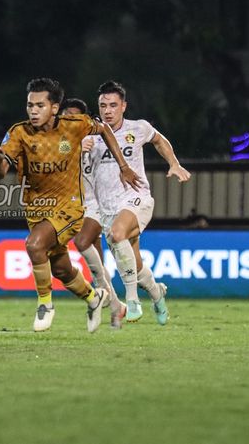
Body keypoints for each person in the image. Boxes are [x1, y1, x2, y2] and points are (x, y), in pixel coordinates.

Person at [0, 78, 140, 333]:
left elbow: (104, 130)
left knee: (34, 244)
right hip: (37, 209)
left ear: (55, 107)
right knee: (61, 269)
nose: (33, 111)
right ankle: (95, 298)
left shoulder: (76, 125)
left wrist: (123, 166)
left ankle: (45, 305)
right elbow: (0, 173)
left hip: (69, 208)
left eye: (39, 105)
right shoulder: (18, 132)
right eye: (30, 106)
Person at [85, 80, 191, 324]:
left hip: (137, 197)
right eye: (103, 106)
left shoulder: (138, 127)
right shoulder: (91, 135)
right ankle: (157, 293)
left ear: (124, 106)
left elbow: (159, 140)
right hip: (107, 207)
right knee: (134, 264)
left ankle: (131, 300)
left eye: (113, 105)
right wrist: (80, 147)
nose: (107, 111)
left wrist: (174, 163)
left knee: (118, 232)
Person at [60, 99, 129, 329]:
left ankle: (102, 295)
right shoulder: (58, 141)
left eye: (75, 116)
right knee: (96, 264)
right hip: (73, 205)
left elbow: (110, 144)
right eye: (66, 115)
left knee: (81, 242)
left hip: (95, 203)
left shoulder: (95, 138)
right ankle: (117, 307)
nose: (70, 120)